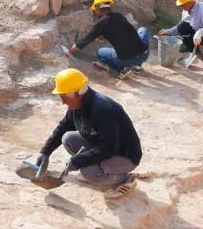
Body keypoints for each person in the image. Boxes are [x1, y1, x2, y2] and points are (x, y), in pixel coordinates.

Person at [34, 69, 143, 200]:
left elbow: (110, 147)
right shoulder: (76, 105)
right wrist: (45, 152)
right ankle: (100, 167)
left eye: (64, 98)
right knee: (68, 139)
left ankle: (126, 179)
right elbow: (63, 127)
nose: (63, 102)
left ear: (78, 94)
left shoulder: (103, 109)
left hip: (124, 155)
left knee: (89, 172)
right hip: (103, 145)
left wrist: (78, 160)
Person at [66, 0, 150, 79]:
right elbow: (120, 30)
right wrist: (99, 37)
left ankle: (120, 69)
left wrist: (68, 51)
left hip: (125, 60)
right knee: (143, 30)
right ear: (109, 5)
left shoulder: (101, 23)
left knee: (100, 52)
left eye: (96, 9)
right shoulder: (119, 16)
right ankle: (137, 65)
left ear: (98, 8)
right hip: (144, 54)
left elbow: (83, 41)